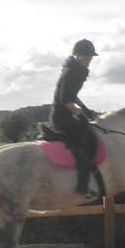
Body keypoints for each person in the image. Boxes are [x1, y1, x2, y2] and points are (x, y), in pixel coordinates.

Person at [50, 38, 99, 196]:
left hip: (64, 115)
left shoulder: (75, 69)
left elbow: (72, 96)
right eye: (87, 57)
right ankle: (82, 186)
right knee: (88, 140)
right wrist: (81, 114)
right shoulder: (73, 72)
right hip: (62, 117)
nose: (89, 60)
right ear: (78, 56)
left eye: (91, 57)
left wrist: (85, 109)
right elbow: (65, 99)